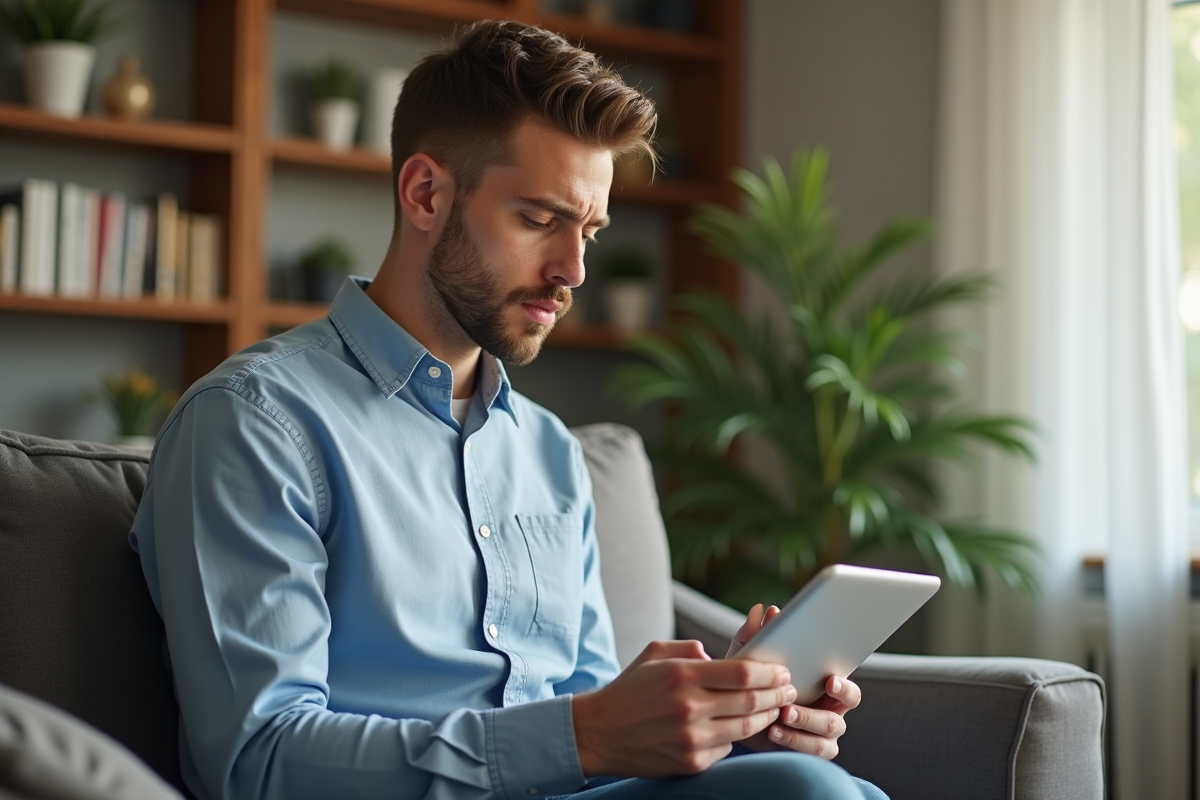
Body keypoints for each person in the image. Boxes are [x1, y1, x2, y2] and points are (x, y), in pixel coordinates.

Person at [129, 19, 886, 800]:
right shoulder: (254, 424)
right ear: (426, 193)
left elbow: (591, 744)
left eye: (588, 230)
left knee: (818, 784)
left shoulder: (550, 453)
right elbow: (257, 762)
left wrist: (721, 728)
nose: (574, 270)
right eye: (538, 219)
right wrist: (587, 733)